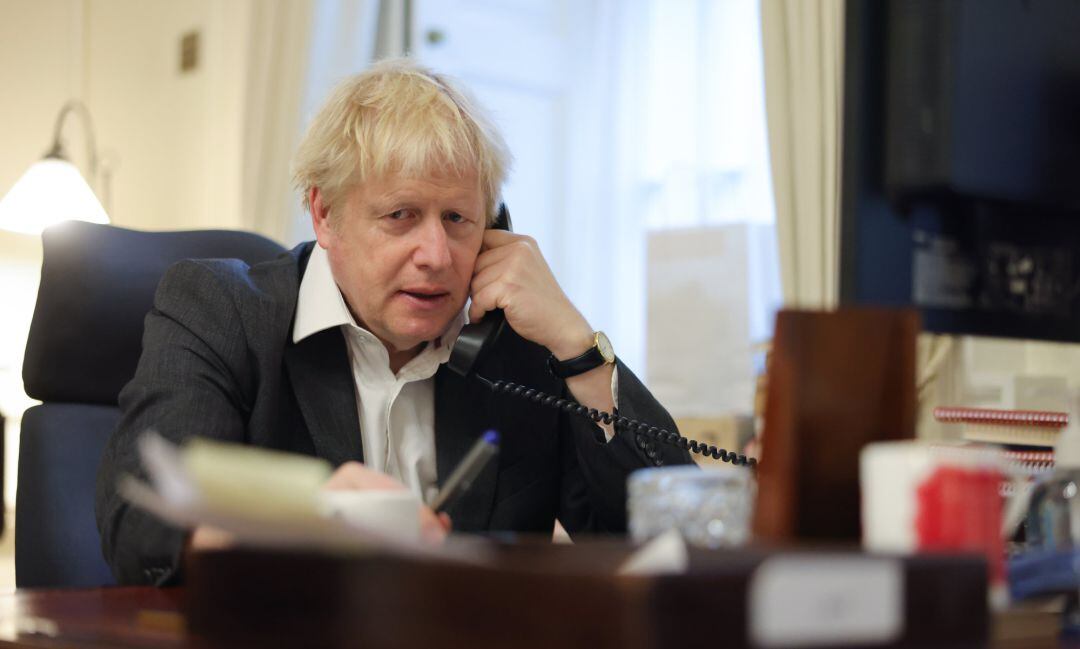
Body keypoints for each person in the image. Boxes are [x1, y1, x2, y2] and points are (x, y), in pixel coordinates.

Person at [95, 58, 691, 585]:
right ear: (324, 214)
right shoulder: (222, 311)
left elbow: (669, 542)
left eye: (458, 218)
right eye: (401, 215)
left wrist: (577, 348)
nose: (436, 255)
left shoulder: (518, 343)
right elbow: (142, 520)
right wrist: (308, 515)